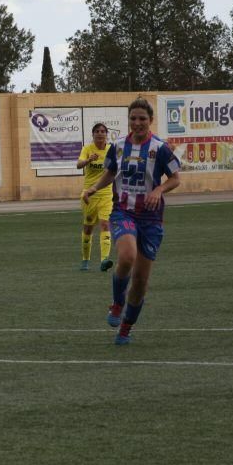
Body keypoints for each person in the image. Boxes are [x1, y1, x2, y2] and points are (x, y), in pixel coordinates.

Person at [82, 97, 181, 345]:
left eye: (142, 119)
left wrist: (158, 190)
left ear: (150, 121)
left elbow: (175, 178)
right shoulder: (116, 146)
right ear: (128, 120)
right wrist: (93, 188)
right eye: (133, 119)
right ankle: (117, 303)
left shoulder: (160, 148)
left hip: (151, 219)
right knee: (126, 255)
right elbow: (110, 172)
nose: (137, 123)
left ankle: (126, 327)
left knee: (140, 282)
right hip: (123, 212)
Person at [76, 122, 113, 272]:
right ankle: (85, 260)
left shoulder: (111, 150)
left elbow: (116, 168)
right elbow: (78, 165)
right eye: (97, 131)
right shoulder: (87, 148)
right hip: (89, 195)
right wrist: (88, 160)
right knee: (88, 228)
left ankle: (104, 260)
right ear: (93, 134)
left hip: (106, 194)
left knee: (105, 224)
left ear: (106, 134)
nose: (100, 133)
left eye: (103, 131)